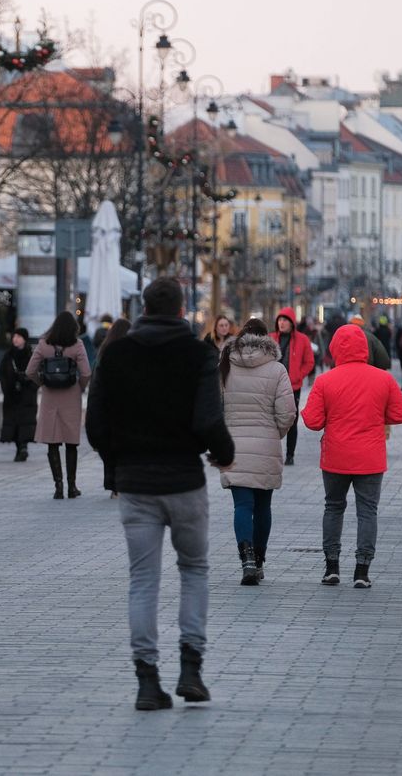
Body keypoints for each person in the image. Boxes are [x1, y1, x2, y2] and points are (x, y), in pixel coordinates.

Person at [85, 277, 234, 710]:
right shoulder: (197, 354)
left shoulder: (117, 354)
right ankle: (191, 668)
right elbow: (209, 419)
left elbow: (96, 424)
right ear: (181, 307)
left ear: (144, 307)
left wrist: (117, 463)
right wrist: (224, 453)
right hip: (184, 480)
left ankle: (147, 680)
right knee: (194, 570)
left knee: (143, 581)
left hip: (136, 484)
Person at [302, 324, 402, 588]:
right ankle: (362, 570)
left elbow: (313, 421)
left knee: (333, 507)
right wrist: (375, 416)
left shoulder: (326, 380)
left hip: (336, 456)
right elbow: (401, 413)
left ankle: (331, 567)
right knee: (367, 512)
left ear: (336, 349)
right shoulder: (382, 379)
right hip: (370, 458)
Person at [218, 318, 296, 586]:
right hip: (266, 445)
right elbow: (287, 413)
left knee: (242, 505)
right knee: (263, 506)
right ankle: (259, 560)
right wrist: (275, 434)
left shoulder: (225, 365)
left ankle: (247, 559)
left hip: (234, 446)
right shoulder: (277, 369)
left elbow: (215, 405)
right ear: (267, 339)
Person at [27, 311, 92, 497]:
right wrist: (80, 387)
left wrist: (42, 383)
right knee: (71, 443)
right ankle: (72, 486)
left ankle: (58, 487)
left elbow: (30, 370)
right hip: (71, 395)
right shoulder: (77, 345)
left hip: (50, 396)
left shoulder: (43, 344)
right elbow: (86, 372)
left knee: (52, 442)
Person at [269, 307, 315, 466]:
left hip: (293, 386)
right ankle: (273, 453)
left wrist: (298, 375)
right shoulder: (271, 338)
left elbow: (309, 362)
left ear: (291, 323)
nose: (281, 323)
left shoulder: (302, 340)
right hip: (272, 386)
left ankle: (290, 454)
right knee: (271, 420)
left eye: (285, 320)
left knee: (291, 420)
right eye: (279, 320)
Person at [94, 317, 132, 499]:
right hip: (125, 407)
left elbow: (97, 382)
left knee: (109, 447)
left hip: (107, 407)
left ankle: (113, 486)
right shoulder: (130, 352)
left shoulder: (103, 352)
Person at [0, 327, 38, 462]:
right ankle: (18, 447)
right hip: (11, 395)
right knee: (13, 423)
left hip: (27, 395)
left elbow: (37, 375)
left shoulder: (31, 355)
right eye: (14, 337)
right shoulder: (8, 356)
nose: (16, 339)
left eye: (19, 337)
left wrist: (31, 386)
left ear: (24, 339)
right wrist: (7, 388)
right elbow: (3, 374)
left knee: (25, 422)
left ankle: (23, 447)